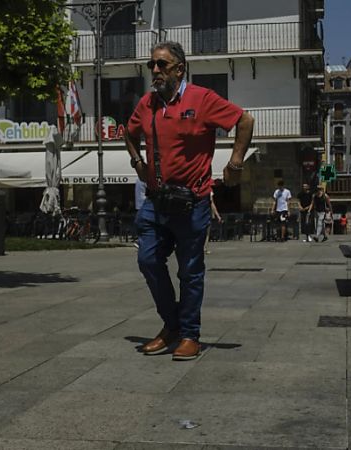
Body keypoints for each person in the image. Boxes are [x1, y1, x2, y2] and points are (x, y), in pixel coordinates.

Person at [125, 41, 254, 361]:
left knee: (190, 271)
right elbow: (127, 131)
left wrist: (235, 162)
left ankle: (189, 334)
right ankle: (172, 325)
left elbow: (245, 121)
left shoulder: (202, 99)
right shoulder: (147, 104)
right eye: (151, 65)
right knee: (148, 260)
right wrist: (137, 163)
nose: (155, 70)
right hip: (156, 202)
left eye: (162, 65)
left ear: (180, 69)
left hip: (192, 201)